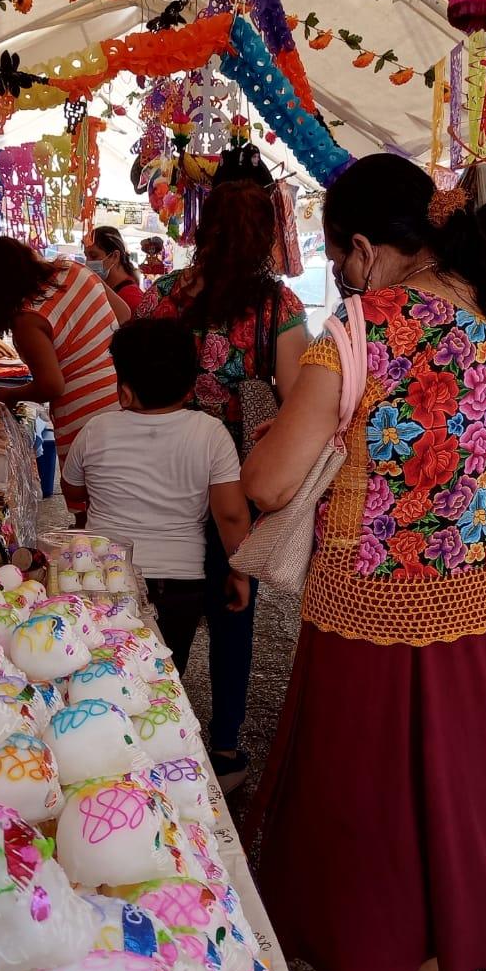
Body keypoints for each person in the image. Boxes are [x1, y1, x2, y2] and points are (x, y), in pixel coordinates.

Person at [243, 154, 486, 971]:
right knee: (452, 829)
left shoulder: (359, 330)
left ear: (366, 249)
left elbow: (265, 483)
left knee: (355, 832)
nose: (344, 276)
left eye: (343, 259)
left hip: (372, 622)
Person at [141, 179, 310, 790]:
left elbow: (132, 381)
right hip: (231, 475)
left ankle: (154, 731)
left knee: (159, 605)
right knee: (234, 604)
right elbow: (300, 403)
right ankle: (226, 749)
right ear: (269, 234)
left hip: (158, 469)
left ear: (200, 227)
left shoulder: (161, 296)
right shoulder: (278, 308)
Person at [61, 318, 251, 670]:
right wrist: (239, 572)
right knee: (162, 670)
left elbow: (72, 487)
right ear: (190, 388)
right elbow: (232, 515)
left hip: (101, 575)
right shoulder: (211, 434)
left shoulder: (97, 430)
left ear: (124, 391)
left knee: (98, 666)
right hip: (178, 584)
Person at [0, 236, 131, 477]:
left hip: (83, 418)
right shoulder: (73, 269)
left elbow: (51, 385)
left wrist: (10, 394)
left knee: (89, 501)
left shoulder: (28, 318)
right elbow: (123, 313)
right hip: (123, 401)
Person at [84, 226, 145, 312]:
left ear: (115, 256)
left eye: (94, 256)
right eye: (86, 256)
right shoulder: (107, 290)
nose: (87, 263)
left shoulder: (131, 297)